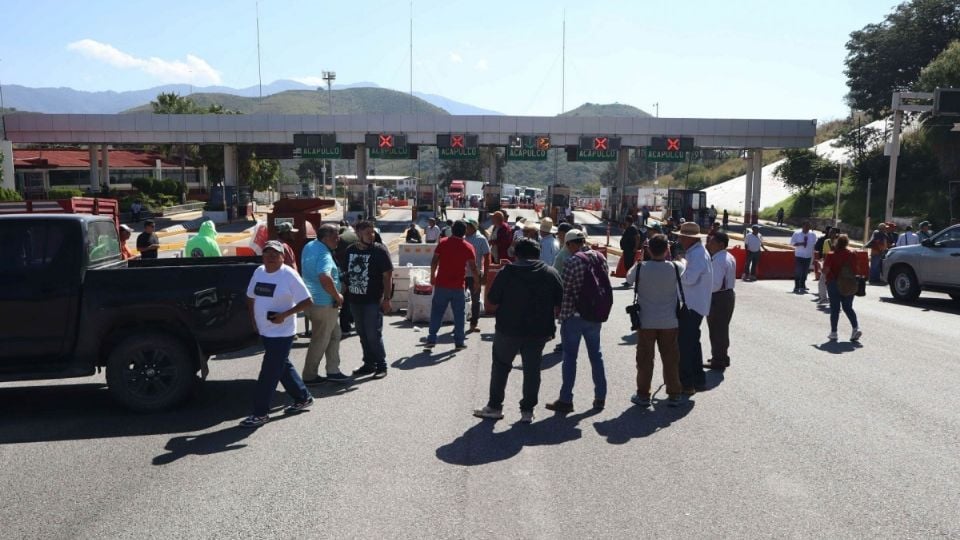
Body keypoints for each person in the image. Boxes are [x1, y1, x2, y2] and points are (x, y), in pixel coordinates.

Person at [473, 238, 564, 423]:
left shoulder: (507, 272)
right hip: (538, 331)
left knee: (501, 366)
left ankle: (495, 407)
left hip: (508, 329)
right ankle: (527, 411)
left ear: (517, 254)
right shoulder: (550, 272)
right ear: (538, 254)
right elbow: (559, 300)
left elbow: (493, 298)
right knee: (532, 370)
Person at [239, 240, 315, 428]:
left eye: (275, 254)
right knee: (282, 365)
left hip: (282, 332)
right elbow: (250, 298)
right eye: (267, 253)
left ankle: (260, 413)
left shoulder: (288, 275)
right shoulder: (259, 271)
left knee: (269, 373)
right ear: (262, 256)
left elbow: (307, 301)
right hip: (265, 330)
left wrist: (284, 315)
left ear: (283, 257)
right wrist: (254, 321)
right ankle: (303, 397)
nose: (271, 257)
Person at [545, 229, 610, 413]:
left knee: (570, 358)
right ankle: (600, 397)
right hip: (594, 317)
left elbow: (565, 292)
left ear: (571, 244)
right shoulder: (599, 257)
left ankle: (566, 400)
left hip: (574, 317)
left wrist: (560, 316)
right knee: (596, 356)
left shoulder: (572, 262)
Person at [630, 234, 683, 407]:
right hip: (670, 322)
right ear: (667, 249)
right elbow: (685, 267)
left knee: (645, 360)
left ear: (648, 249)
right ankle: (674, 393)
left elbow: (628, 279)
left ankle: (643, 395)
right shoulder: (676, 267)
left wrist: (640, 259)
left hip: (646, 322)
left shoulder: (640, 268)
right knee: (670, 359)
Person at [300, 224, 350, 385]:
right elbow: (324, 277)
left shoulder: (310, 246)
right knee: (320, 340)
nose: (338, 240)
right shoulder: (324, 255)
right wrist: (337, 295)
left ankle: (333, 370)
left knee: (335, 335)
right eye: (336, 237)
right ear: (326, 237)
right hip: (324, 304)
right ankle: (309, 375)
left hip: (312, 301)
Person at [345, 221, 393, 379]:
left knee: (373, 334)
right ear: (358, 234)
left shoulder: (379, 250)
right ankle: (368, 363)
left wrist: (386, 298)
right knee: (362, 333)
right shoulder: (350, 250)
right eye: (367, 233)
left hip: (373, 300)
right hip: (354, 299)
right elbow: (345, 273)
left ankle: (381, 365)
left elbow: (387, 276)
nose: (371, 236)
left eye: (373, 232)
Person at [425, 221, 480, 350]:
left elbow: (434, 261)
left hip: (441, 285)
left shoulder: (443, 242)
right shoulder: (468, 247)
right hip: (458, 286)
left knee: (437, 312)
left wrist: (432, 276)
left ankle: (431, 339)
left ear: (452, 230)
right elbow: (473, 267)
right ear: (464, 231)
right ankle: (459, 342)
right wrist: (477, 282)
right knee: (459, 315)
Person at [675, 222, 713, 395]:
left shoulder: (696, 255)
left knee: (685, 346)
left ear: (688, 238)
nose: (679, 239)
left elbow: (689, 279)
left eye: (682, 236)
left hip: (692, 306)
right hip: (694, 305)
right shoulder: (696, 252)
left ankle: (687, 383)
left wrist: (679, 265)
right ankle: (698, 380)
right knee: (693, 345)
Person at [705, 231, 736, 371]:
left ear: (721, 244)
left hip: (718, 297)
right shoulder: (727, 256)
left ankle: (718, 360)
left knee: (717, 329)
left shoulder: (719, 260)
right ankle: (721, 357)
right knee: (721, 329)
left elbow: (715, 285)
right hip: (726, 296)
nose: (708, 244)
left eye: (712, 241)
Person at [823, 234, 862, 342]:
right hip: (849, 283)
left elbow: (825, 270)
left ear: (836, 243)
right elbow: (856, 269)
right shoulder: (852, 254)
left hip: (834, 283)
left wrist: (822, 269)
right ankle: (855, 328)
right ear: (847, 243)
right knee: (848, 307)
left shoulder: (831, 255)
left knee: (835, 309)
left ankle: (834, 332)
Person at [463, 219, 490, 333]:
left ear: (473, 227)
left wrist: (485, 275)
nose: (465, 229)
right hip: (462, 274)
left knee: (475, 301)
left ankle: (473, 324)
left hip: (475, 275)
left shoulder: (481, 239)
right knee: (459, 299)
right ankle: (459, 322)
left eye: (467, 226)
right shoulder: (463, 238)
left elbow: (487, 258)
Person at [335, 224, 358, 334]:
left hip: (345, 272)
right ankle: (353, 321)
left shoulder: (341, 239)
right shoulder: (354, 236)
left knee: (346, 300)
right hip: (357, 270)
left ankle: (345, 327)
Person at [790, 221, 817, 294]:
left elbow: (814, 246)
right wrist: (801, 243)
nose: (807, 228)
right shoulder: (797, 233)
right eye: (806, 226)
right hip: (799, 255)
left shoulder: (813, 235)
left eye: (808, 227)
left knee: (805, 272)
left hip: (808, 256)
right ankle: (796, 286)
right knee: (798, 271)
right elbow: (792, 243)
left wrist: (814, 257)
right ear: (802, 226)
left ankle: (802, 286)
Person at [816, 228, 839, 304]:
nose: (831, 234)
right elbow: (824, 253)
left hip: (836, 265)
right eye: (830, 233)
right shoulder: (826, 241)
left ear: (835, 234)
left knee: (834, 283)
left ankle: (834, 299)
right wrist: (822, 262)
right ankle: (823, 298)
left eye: (833, 233)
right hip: (827, 265)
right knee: (822, 282)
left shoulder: (839, 242)